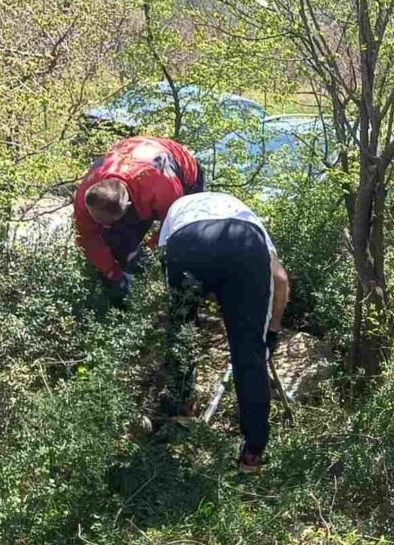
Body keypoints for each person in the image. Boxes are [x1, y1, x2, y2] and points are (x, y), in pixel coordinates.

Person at [160, 192, 289, 475]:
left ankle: (180, 410)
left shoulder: (177, 208)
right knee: (248, 354)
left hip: (187, 243)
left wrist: (184, 312)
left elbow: (166, 260)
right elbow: (279, 278)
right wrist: (271, 330)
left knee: (181, 334)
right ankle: (252, 454)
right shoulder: (247, 217)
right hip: (243, 243)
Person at [74, 136, 204, 301]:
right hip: (134, 168)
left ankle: (181, 300)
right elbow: (87, 237)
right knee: (115, 243)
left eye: (107, 222)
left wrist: (147, 254)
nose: (103, 226)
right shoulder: (87, 195)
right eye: (98, 220)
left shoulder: (163, 187)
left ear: (128, 207)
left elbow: (172, 229)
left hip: (180, 172)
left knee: (183, 244)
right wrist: (112, 272)